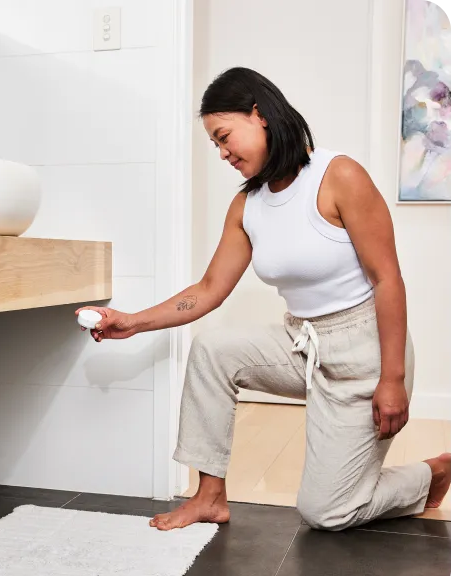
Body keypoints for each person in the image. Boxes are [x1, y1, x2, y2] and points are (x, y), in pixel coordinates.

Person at [76, 67, 451, 532]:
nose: (222, 152)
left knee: (327, 513)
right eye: (215, 143)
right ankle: (209, 495)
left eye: (224, 136)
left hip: (368, 354)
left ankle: (429, 473)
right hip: (303, 345)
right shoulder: (247, 205)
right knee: (213, 349)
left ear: (259, 114)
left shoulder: (339, 176)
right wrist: (132, 321)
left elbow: (387, 279)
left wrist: (391, 378)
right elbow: (208, 290)